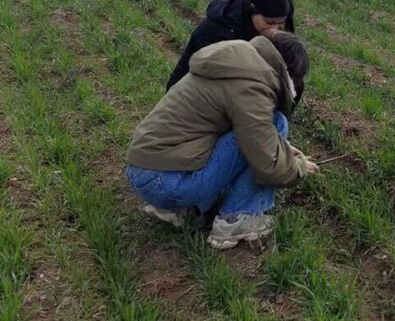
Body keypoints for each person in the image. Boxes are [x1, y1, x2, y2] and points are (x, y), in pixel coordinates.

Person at [127, 32, 319, 249]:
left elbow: (240, 126)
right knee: (276, 122)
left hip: (144, 170)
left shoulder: (236, 62)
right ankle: (236, 219)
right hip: (168, 182)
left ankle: (183, 208)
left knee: (256, 135)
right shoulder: (253, 86)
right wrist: (297, 166)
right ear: (290, 75)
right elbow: (268, 164)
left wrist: (282, 147)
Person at [166, 0, 296, 93]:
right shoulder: (218, 30)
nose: (274, 30)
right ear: (252, 9)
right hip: (195, 92)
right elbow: (213, 78)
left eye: (280, 25)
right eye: (269, 22)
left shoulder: (273, 33)